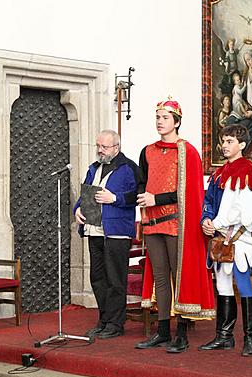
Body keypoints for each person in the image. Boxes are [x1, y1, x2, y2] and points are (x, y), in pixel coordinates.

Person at [135, 97, 215, 353]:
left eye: (165, 118)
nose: (160, 122)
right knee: (160, 276)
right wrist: (143, 197)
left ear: (177, 122)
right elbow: (142, 181)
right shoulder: (147, 150)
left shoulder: (186, 150)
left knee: (180, 275)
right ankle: (161, 331)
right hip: (153, 222)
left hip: (176, 223)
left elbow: (187, 191)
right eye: (157, 117)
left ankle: (181, 332)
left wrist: (155, 199)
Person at [200, 124, 252, 355]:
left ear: (243, 145)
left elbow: (242, 211)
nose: (225, 145)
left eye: (230, 141)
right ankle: (224, 336)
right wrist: (206, 220)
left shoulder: (247, 171)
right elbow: (208, 200)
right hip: (220, 238)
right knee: (222, 285)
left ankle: (250, 339)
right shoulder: (219, 173)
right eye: (223, 141)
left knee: (244, 283)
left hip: (241, 239)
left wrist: (216, 223)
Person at [73, 129, 138, 340]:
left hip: (116, 232)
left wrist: (115, 198)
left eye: (105, 147)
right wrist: (77, 210)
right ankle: (104, 320)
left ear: (116, 147)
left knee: (115, 279)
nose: (100, 150)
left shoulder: (128, 168)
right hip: (94, 229)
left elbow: (137, 195)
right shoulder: (94, 168)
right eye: (98, 146)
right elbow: (86, 194)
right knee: (98, 278)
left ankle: (115, 323)